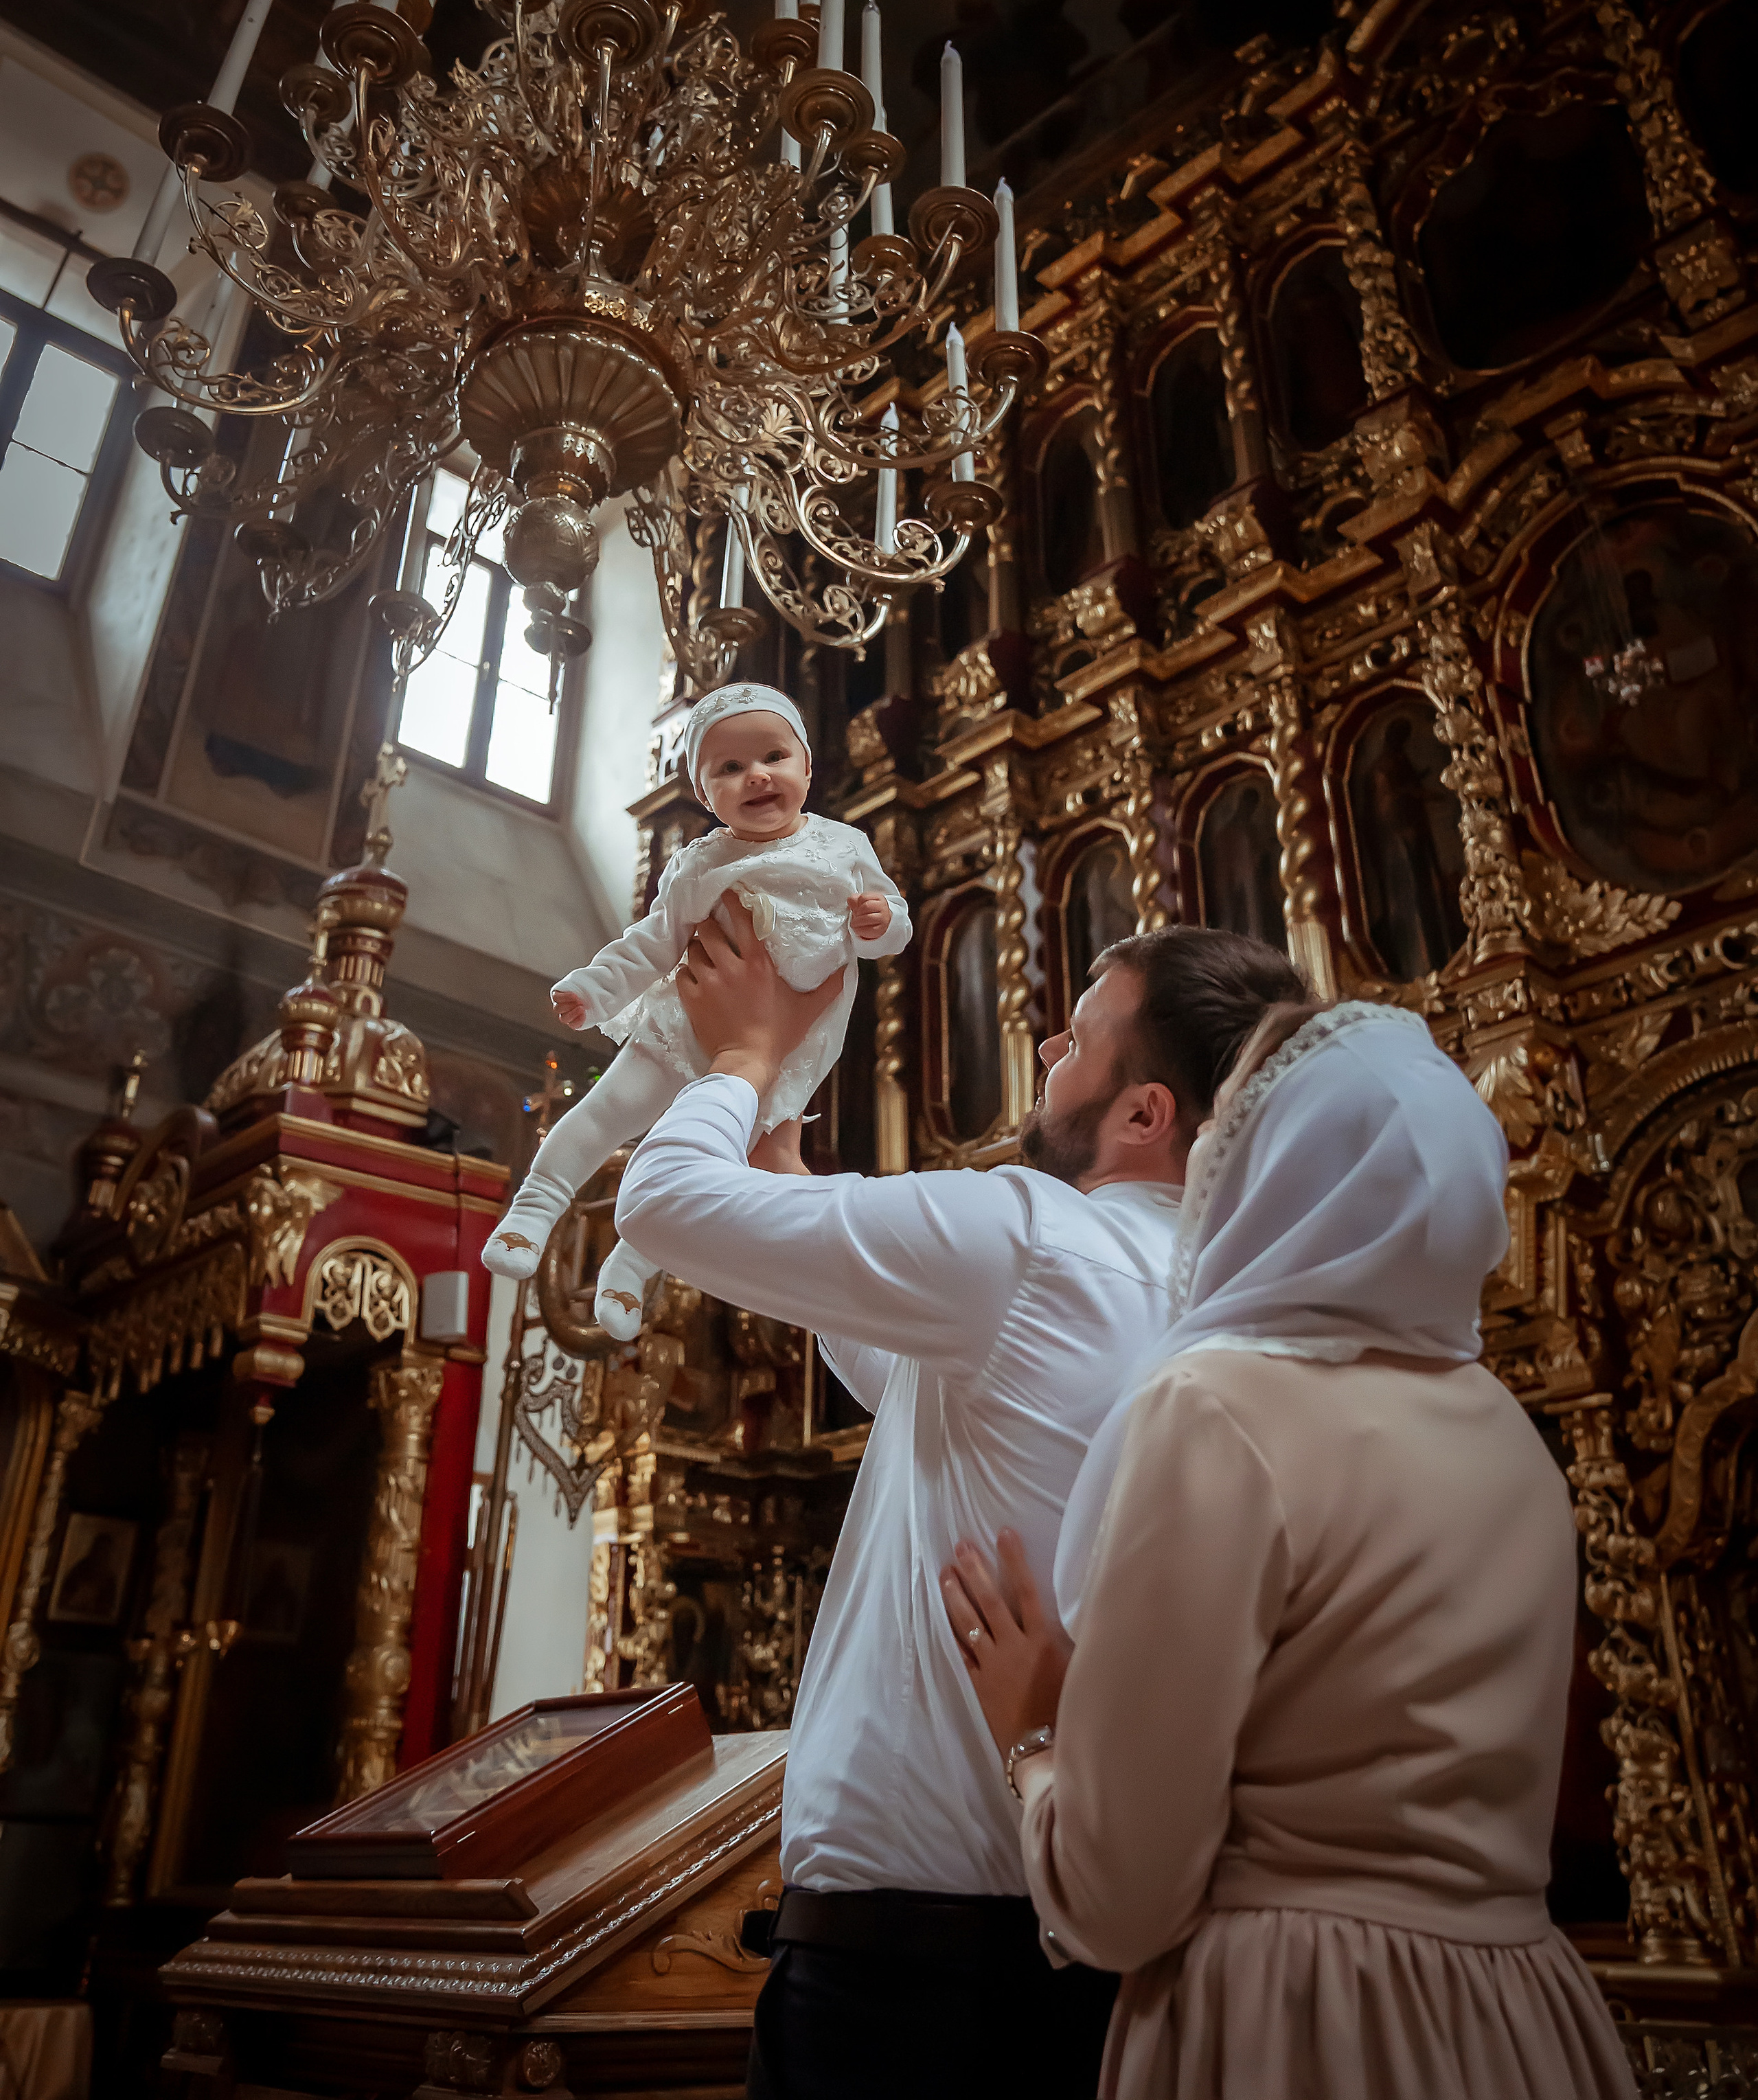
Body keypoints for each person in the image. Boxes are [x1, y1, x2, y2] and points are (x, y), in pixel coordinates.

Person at [613, 904, 1305, 2100]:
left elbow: (660, 1206)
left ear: (1146, 1113)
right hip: (1106, 1959)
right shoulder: (1224, 1305)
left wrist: (741, 1057)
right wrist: (790, 1180)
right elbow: (905, 1368)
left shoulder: (1030, 1239)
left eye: (1080, 1037)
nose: (1046, 1052)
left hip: (908, 1975)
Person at [941, 998, 1639, 2100]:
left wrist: (1036, 1734)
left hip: (1299, 2018)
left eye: (1228, 1141)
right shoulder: (1511, 1437)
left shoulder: (1217, 1406)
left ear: (1272, 1173)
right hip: (1518, 2021)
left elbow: (1121, 1901)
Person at [480, 681, 911, 1327]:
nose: (757, 777)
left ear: (807, 766)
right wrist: (596, 989)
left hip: (791, 1049)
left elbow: (893, 927)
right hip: (687, 1024)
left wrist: (881, 922)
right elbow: (653, 942)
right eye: (730, 769)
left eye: (774, 757)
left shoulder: (845, 847)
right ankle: (534, 1208)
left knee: (721, 1173)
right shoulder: (700, 863)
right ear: (707, 795)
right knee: (607, 1112)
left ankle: (632, 1271)